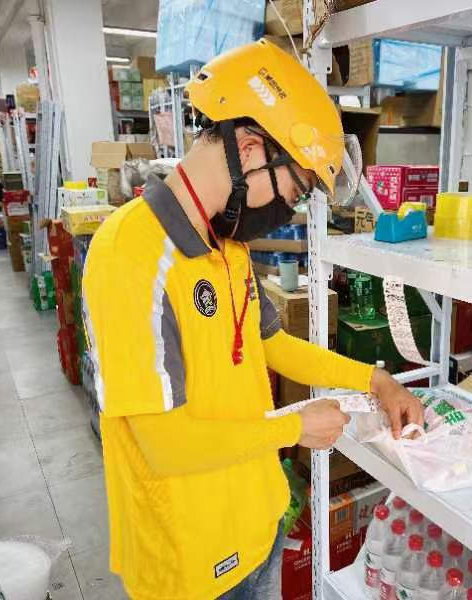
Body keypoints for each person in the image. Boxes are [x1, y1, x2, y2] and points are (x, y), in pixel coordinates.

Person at [82, 39, 423, 600]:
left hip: (257, 524)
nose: (287, 210)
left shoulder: (226, 245)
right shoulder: (131, 254)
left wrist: (375, 379)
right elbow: (163, 444)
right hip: (190, 559)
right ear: (248, 147)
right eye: (294, 190)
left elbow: (273, 344)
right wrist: (294, 428)